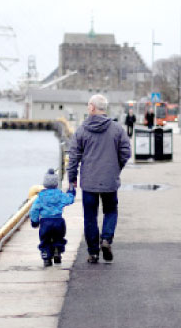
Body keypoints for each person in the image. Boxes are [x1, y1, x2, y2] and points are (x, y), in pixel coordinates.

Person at [68, 94, 131, 263]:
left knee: (90, 216)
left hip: (89, 181)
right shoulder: (117, 129)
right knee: (110, 211)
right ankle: (106, 239)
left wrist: (71, 178)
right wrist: (115, 168)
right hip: (109, 181)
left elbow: (73, 156)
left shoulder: (82, 130)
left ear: (92, 107)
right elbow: (126, 152)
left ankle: (93, 253)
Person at [30, 169, 76, 267]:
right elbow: (69, 200)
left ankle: (46, 256)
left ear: (44, 184)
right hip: (58, 221)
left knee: (45, 239)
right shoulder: (60, 195)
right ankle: (57, 252)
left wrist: (35, 221)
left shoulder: (41, 196)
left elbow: (34, 209)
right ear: (56, 184)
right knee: (58, 238)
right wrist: (71, 191)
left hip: (45, 222)